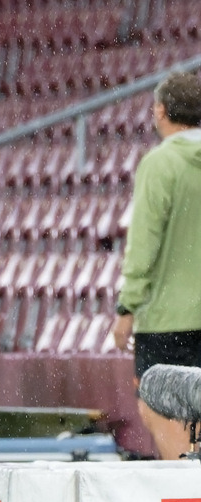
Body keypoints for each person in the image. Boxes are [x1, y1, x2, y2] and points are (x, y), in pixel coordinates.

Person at [112, 72, 201, 460]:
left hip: (169, 321)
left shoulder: (160, 164)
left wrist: (126, 307)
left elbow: (144, 243)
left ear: (162, 111)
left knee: (161, 412)